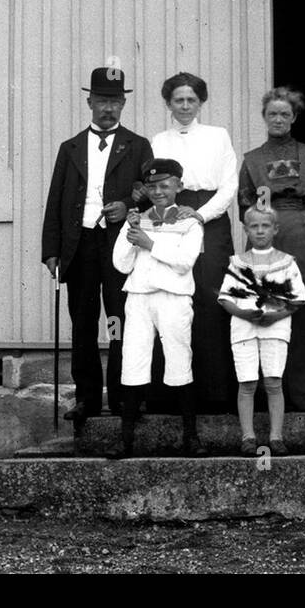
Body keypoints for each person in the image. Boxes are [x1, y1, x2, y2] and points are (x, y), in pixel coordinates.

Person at [41, 67, 153, 433]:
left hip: (119, 246)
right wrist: (51, 250)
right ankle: (87, 396)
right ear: (90, 102)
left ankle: (123, 396)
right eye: (102, 101)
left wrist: (127, 205)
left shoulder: (138, 146)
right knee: (83, 322)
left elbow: (153, 195)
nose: (109, 108)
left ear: (123, 104)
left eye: (115, 101)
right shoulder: (70, 148)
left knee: (120, 321)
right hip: (81, 245)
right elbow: (55, 200)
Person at [149, 72, 239, 412]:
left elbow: (228, 187)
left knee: (209, 297)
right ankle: (170, 396)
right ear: (168, 104)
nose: (185, 106)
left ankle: (215, 394)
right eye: (178, 100)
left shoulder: (218, 136)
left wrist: (199, 215)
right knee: (172, 298)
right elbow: (154, 186)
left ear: (200, 102)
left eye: (191, 100)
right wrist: (175, 215)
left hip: (210, 222)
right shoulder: (158, 140)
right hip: (171, 220)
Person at [237, 87, 305, 412]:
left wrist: (299, 222)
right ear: (264, 117)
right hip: (265, 236)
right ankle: (269, 397)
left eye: (285, 114)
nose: (278, 119)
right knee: (265, 310)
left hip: (303, 235)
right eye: (272, 114)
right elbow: (244, 207)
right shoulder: (251, 159)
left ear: (294, 118)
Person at [111, 159, 205, 459]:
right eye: (152, 186)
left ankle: (190, 437)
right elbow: (121, 264)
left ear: (178, 185)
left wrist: (150, 243)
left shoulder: (190, 222)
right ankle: (125, 440)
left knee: (179, 358)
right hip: (138, 296)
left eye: (165, 185)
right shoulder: (137, 219)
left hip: (173, 297)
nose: (158, 191)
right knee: (133, 360)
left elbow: (184, 261)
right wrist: (132, 236)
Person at [217, 205, 305, 456]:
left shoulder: (287, 262)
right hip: (243, 328)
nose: (259, 231)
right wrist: (244, 313)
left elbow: (298, 298)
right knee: (247, 382)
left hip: (275, 327)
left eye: (265, 226)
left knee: (273, 381)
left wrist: (276, 315)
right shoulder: (237, 263)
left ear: (275, 229)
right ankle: (248, 437)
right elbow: (225, 298)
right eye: (254, 226)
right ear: (246, 230)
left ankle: (276, 437)